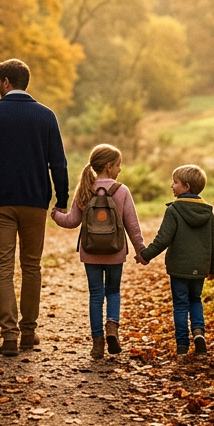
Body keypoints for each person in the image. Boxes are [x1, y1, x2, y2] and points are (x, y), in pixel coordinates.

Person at [0, 59, 69, 356]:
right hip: (35, 201)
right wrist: (61, 200)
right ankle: (28, 332)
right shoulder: (46, 116)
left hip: (0, 203)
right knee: (31, 266)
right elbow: (58, 163)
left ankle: (9, 336)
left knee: (3, 268)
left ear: (6, 82)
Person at [51, 144, 145, 359]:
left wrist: (56, 214)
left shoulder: (85, 188)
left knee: (95, 294)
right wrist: (141, 251)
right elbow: (132, 225)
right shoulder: (121, 190)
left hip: (90, 251)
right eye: (119, 165)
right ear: (110, 166)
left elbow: (72, 221)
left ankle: (97, 344)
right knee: (113, 291)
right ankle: (112, 327)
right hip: (115, 252)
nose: (120, 169)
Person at [137, 164, 214, 355]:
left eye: (175, 182)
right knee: (195, 300)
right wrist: (213, 268)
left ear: (187, 187)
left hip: (179, 268)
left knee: (181, 305)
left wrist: (145, 255)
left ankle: (182, 345)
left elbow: (163, 239)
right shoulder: (207, 212)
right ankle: (199, 332)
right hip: (200, 267)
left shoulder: (174, 210)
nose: (171, 186)